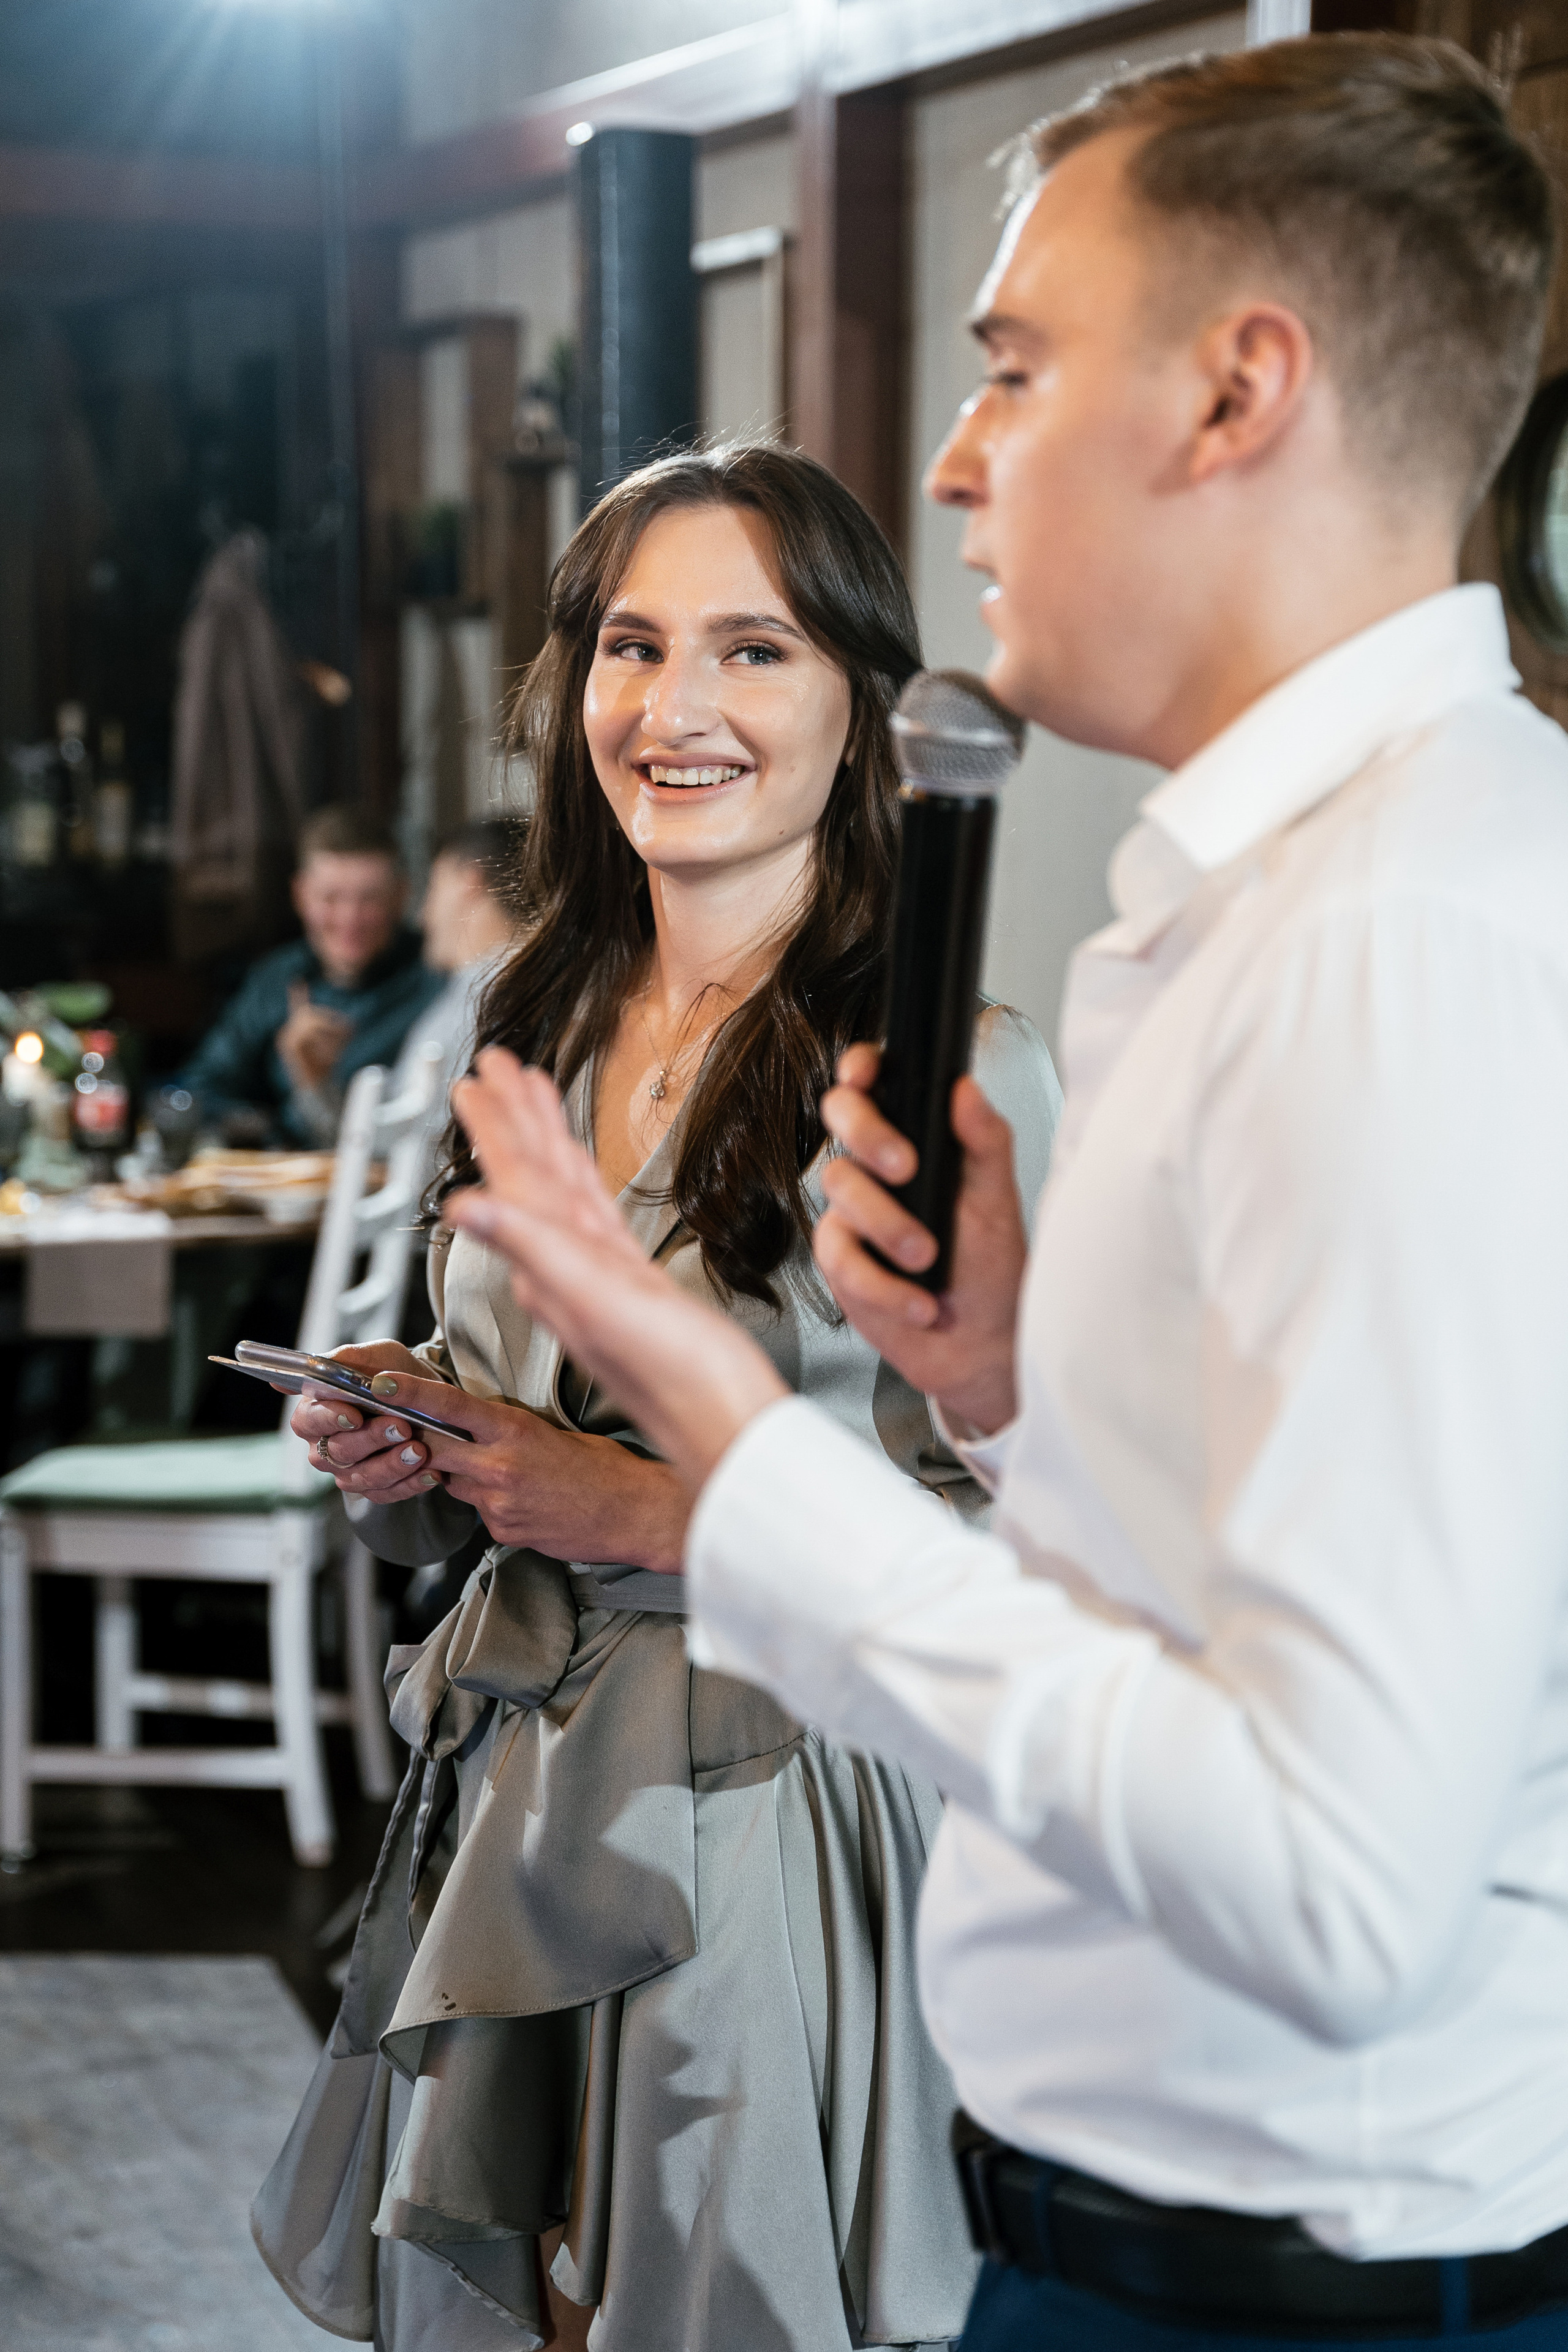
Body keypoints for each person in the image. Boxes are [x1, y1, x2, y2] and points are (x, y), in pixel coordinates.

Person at [432, 36, 1568, 2352]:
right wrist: (1017, 1396)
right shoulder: (1261, 902)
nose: (953, 460)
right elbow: (1242, 1586)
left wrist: (733, 1466)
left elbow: (1332, 1875)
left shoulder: (1401, 944)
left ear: (1235, 391)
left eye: (1017, 369)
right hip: (1125, 2225)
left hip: (1289, 2282)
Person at [252, 445, 1062, 2351]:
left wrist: (636, 1511)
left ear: (858, 700)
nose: (671, 709)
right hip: (518, 1766)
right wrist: (414, 1412)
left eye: (750, 651)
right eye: (630, 646)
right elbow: (510, 1380)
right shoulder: (531, 1009)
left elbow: (1045, 1539)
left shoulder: (950, 1067)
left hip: (770, 1808)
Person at [180, 807, 443, 1145]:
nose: (350, 920)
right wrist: (272, 1129)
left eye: (369, 899)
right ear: (301, 895)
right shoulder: (277, 977)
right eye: (331, 898)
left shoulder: (435, 981)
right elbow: (201, 1088)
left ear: (401, 896)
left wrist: (315, 1083)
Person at [393, 817, 522, 1117]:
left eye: (433, 887)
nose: (422, 916)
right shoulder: (501, 990)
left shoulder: (480, 1002)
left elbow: (412, 1149)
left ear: (469, 882)